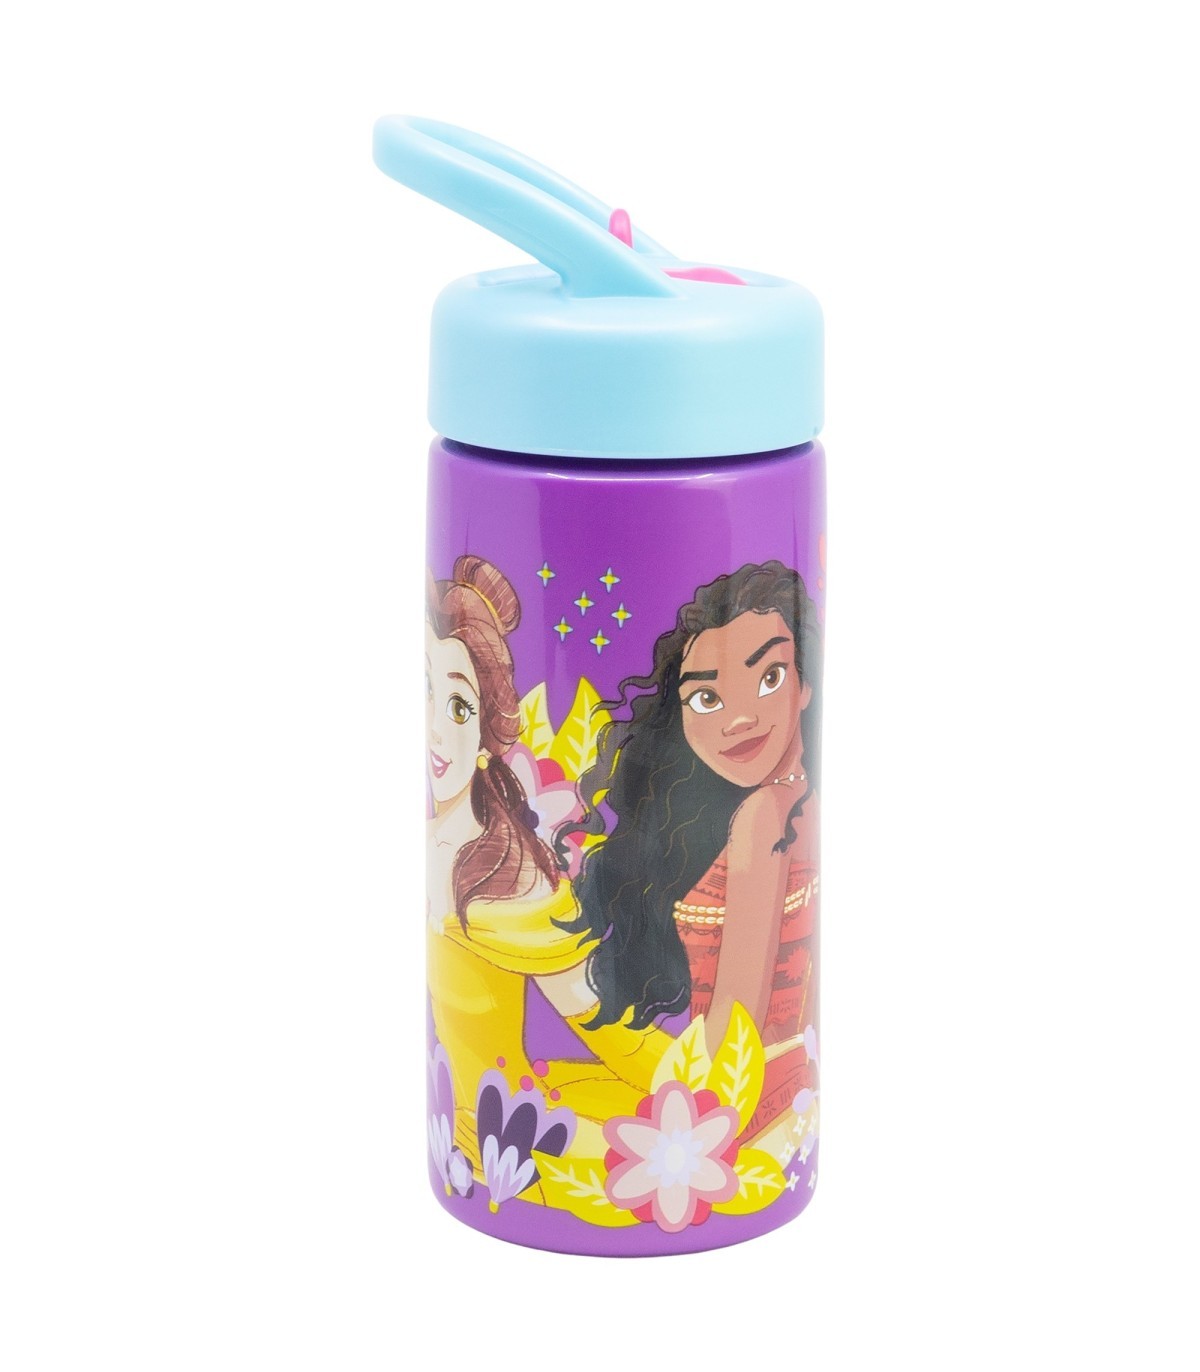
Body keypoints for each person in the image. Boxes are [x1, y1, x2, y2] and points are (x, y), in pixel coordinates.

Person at [559, 561, 821, 1139]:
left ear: (806, 684)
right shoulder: (798, 802)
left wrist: (696, 1136)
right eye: (705, 698)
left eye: (770, 676)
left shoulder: (761, 818)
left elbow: (736, 1030)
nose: (740, 719)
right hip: (782, 1089)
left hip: (735, 1109)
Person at [425, 555, 664, 1174]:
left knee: (669, 1156)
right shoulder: (441, 844)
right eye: (425, 689)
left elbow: (603, 1018)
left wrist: (708, 1092)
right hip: (482, 1151)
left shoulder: (509, 882)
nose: (437, 731)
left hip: (523, 1143)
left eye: (459, 707)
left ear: (488, 731)